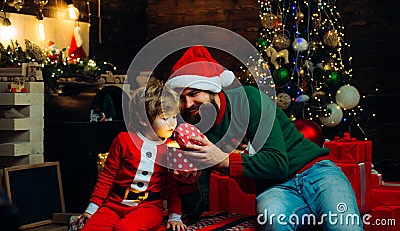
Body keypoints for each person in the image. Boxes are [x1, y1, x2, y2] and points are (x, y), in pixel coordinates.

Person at [166, 45, 363, 230]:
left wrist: (223, 160)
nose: (188, 104)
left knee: (343, 225)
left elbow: (278, 162)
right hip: (274, 188)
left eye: (194, 94)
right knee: (273, 219)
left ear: (212, 89)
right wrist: (188, 185)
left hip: (316, 172)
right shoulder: (194, 129)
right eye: (182, 98)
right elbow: (200, 208)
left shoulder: (249, 99)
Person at [73, 79, 186, 231]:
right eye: (165, 118)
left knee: (124, 229)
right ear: (143, 119)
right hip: (114, 205)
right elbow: (107, 177)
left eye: (174, 117)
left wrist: (175, 217)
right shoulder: (124, 140)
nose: (172, 123)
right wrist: (91, 210)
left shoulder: (170, 149)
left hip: (148, 208)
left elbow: (173, 187)